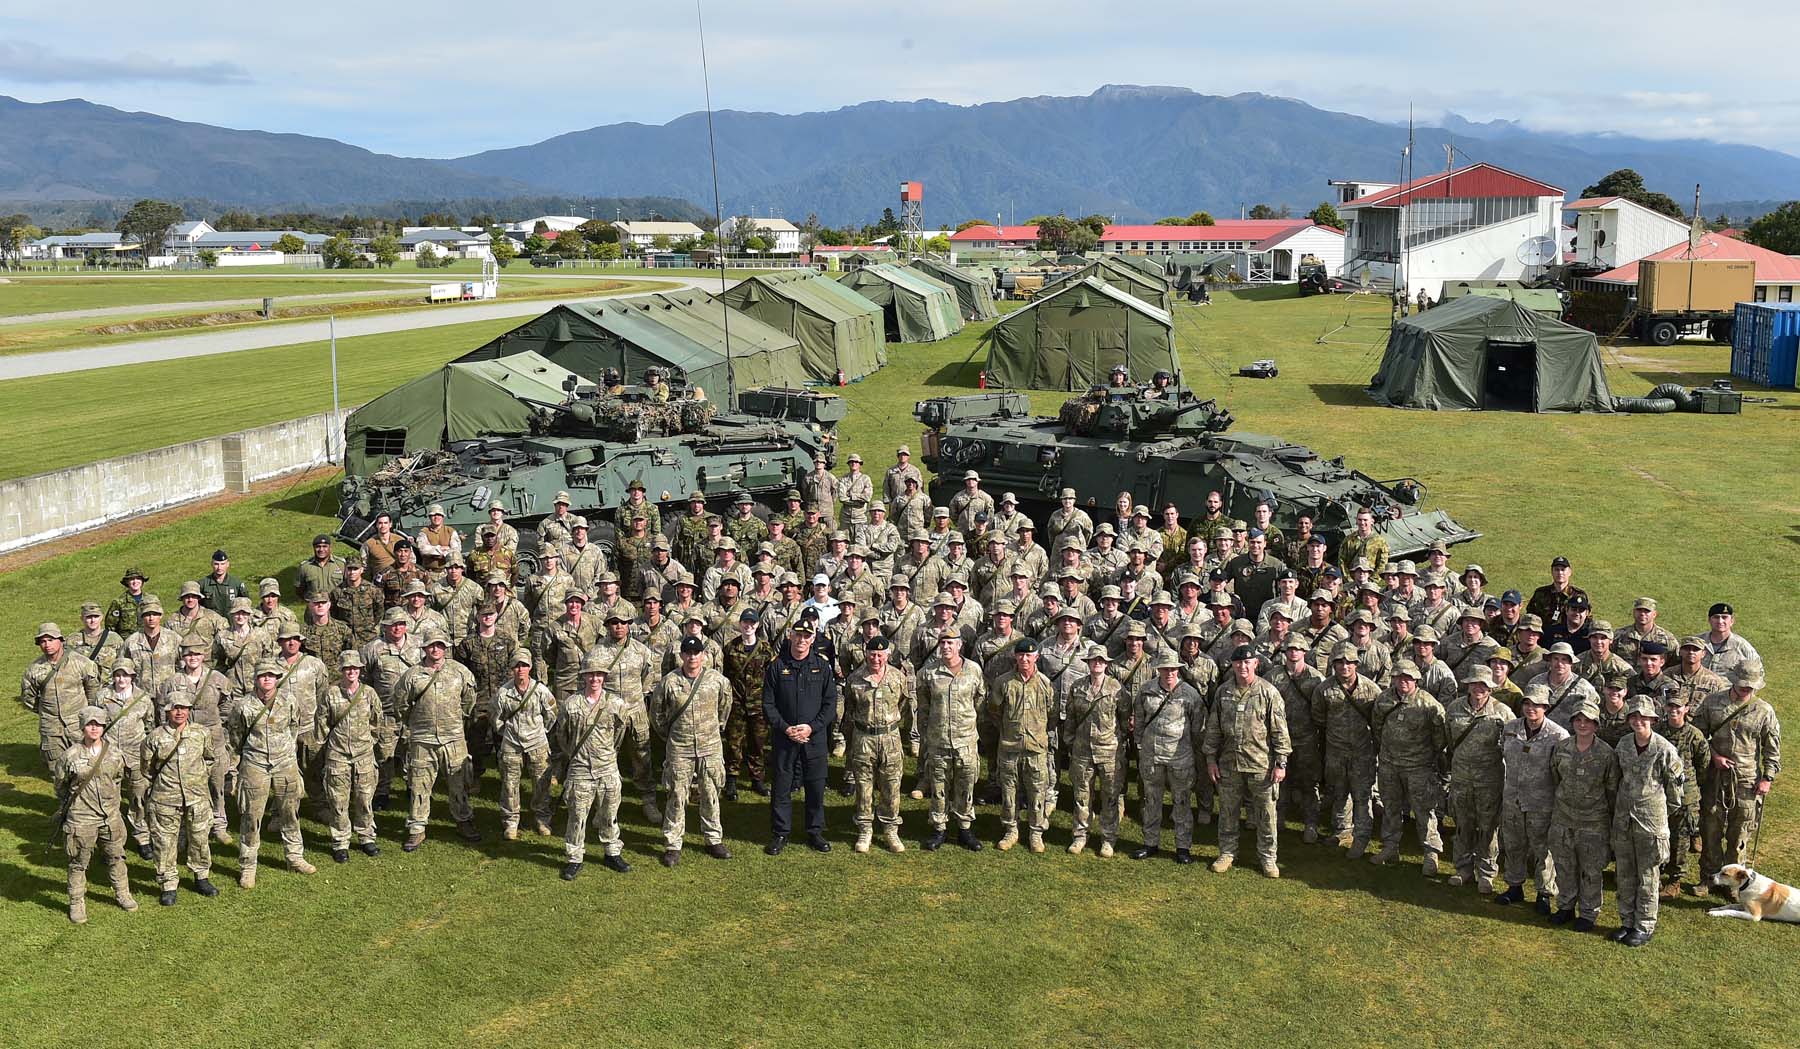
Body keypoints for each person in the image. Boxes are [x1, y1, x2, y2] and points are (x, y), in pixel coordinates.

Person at [1694, 661, 1781, 892]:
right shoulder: (1713, 702)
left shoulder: (1764, 710)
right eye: (1743, 685)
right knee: (1711, 828)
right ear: (1734, 680)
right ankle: (1708, 878)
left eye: (1751, 687)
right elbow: (1698, 736)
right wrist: (1714, 756)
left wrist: (1767, 778)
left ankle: (1735, 885)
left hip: (1747, 781)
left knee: (1739, 832)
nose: (1746, 690)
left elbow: (1772, 747)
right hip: (1715, 778)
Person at [1204, 647, 1290, 877]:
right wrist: (1211, 759)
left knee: (1266, 814)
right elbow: (1213, 729)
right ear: (1232, 665)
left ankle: (1268, 858)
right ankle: (1227, 853)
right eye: (1238, 663)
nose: (1243, 667)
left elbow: (1280, 731)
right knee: (1228, 811)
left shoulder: (1268, 692)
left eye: (1247, 662)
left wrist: (1280, 763)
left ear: (1255, 664)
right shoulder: (1223, 693)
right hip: (1229, 764)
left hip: (1261, 765)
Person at [229, 659, 314, 888]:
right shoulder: (243, 706)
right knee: (251, 816)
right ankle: (248, 866)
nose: (266, 679)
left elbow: (294, 728)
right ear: (255, 679)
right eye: (262, 675)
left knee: (290, 812)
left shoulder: (289, 701)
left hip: (285, 762)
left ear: (277, 678)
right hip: (255, 763)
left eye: (271, 675)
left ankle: (295, 857)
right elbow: (235, 736)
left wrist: (286, 750)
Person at [394, 628, 480, 851]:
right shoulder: (412, 675)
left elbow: (469, 701)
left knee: (458, 781)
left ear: (446, 647)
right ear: (424, 648)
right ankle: (417, 828)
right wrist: (416, 723)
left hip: (453, 738)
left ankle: (463, 820)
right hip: (423, 739)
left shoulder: (459, 672)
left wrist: (455, 720)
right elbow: (401, 704)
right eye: (431, 645)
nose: (436, 649)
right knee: (419, 784)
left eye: (440, 645)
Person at [653, 636, 734, 867]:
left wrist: (716, 730)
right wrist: (669, 736)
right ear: (681, 656)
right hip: (680, 747)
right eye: (688, 653)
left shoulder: (716, 680)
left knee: (710, 792)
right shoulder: (669, 682)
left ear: (703, 655)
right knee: (677, 795)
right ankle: (672, 844)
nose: (692, 657)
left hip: (710, 746)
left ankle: (713, 839)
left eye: (696, 652)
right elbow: (656, 714)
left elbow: (725, 707)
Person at [1610, 695, 1683, 947]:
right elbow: (1616, 778)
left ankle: (1644, 925)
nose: (1638, 721)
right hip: (1624, 819)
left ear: (1653, 719)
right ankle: (1626, 921)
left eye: (1643, 717)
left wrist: (1659, 813)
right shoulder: (1623, 745)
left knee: (1648, 876)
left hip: (1650, 821)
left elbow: (1675, 794)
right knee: (1625, 873)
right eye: (1633, 716)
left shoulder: (1664, 749)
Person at [763, 621, 838, 855]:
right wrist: (786, 729)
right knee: (782, 788)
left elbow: (830, 704)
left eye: (807, 636)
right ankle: (780, 833)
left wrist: (811, 728)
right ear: (790, 636)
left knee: (815, 786)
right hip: (785, 738)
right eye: (798, 635)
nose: (802, 640)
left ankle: (815, 832)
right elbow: (768, 704)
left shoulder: (822, 667)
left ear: (813, 638)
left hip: (813, 739)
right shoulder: (777, 666)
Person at [57, 706, 135, 923]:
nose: (94, 728)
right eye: (90, 724)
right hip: (81, 819)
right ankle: (76, 902)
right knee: (78, 862)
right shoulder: (70, 756)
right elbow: (61, 786)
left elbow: (119, 779)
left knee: (116, 857)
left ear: (104, 726)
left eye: (98, 724)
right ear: (83, 727)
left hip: (110, 817)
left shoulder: (115, 754)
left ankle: (122, 893)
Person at [141, 692, 220, 906]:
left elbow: (210, 758)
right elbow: (147, 769)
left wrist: (200, 777)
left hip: (197, 797)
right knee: (165, 842)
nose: (179, 712)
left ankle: (201, 876)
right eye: (175, 708)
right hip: (165, 798)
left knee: (200, 838)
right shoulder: (154, 738)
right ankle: (168, 884)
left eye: (184, 708)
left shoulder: (201, 733)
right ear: (167, 710)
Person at [1370, 660, 1448, 874]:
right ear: (1393, 678)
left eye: (1408, 678)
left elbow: (1440, 739)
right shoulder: (1383, 699)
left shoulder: (1429, 705)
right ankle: (1390, 847)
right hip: (1389, 765)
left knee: (1424, 811)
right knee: (1391, 808)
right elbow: (1377, 727)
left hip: (1419, 768)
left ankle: (1431, 853)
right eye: (1399, 677)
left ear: (1416, 680)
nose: (1403, 681)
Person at [559, 654, 632, 880]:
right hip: (580, 767)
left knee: (610, 812)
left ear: (604, 677)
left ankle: (612, 852)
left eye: (599, 674)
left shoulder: (616, 704)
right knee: (577, 815)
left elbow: (620, 733)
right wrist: (575, 754)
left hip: (607, 766)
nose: (594, 679)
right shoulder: (571, 704)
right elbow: (562, 735)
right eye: (590, 674)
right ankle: (574, 857)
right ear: (583, 677)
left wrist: (608, 753)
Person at [1547, 700, 1617, 932]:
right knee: (1564, 866)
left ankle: (1588, 913)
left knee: (1590, 869)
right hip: (1564, 817)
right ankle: (1565, 906)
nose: (1582, 724)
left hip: (1593, 822)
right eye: (1578, 720)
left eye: (1587, 721)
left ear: (1596, 725)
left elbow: (1612, 788)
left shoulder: (1606, 754)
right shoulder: (1562, 747)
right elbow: (1555, 777)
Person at [1133, 654, 1204, 864]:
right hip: (1152, 756)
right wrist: (1141, 745)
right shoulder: (1146, 690)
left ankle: (1183, 847)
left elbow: (1198, 727)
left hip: (1180, 758)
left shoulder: (1190, 694)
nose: (1170, 673)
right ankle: (1150, 843)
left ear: (1178, 669)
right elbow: (1138, 720)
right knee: (1151, 801)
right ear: (1158, 669)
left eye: (1173, 669)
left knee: (1181, 802)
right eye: (1165, 669)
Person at [1443, 667, 1509, 891]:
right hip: (1461, 778)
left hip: (1489, 781)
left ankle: (1486, 872)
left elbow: (1509, 748)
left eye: (1483, 685)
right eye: (1474, 684)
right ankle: (1463, 869)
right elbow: (1448, 740)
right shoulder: (1454, 709)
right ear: (1468, 685)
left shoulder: (1502, 713)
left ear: (1491, 687)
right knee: (1463, 824)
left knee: (1488, 827)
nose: (1478, 688)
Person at [1313, 643, 1381, 857]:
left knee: (1362, 796)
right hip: (1336, 751)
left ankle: (1361, 837)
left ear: (1356, 665)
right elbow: (1318, 717)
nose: (1344, 666)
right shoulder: (1324, 689)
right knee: (1339, 792)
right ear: (1333, 665)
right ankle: (1342, 831)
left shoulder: (1371, 689)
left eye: (1349, 662)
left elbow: (1378, 719)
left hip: (1362, 751)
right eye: (1339, 662)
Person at [316, 649, 382, 863]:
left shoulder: (369, 693)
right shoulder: (330, 693)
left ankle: (366, 837)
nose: (351, 671)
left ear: (360, 670)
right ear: (342, 670)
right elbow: (322, 723)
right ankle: (340, 841)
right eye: (347, 668)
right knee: (338, 800)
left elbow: (376, 722)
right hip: (338, 755)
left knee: (364, 798)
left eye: (355, 668)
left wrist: (368, 742)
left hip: (363, 754)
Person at [845, 636, 909, 853]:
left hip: (890, 738)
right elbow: (850, 708)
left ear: (887, 655)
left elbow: (904, 703)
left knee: (891, 785)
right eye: (872, 654)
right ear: (866, 653)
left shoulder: (898, 677)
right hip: (864, 738)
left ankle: (890, 829)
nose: (876, 658)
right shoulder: (855, 679)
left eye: (880, 655)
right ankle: (865, 829)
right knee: (863, 785)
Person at [989, 640, 1054, 853]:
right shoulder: (1003, 682)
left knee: (1037, 793)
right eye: (1020, 655)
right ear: (1015, 657)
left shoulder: (1044, 683)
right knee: (1009, 792)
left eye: (1029, 655)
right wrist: (1009, 731)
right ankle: (1011, 830)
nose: (1024, 659)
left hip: (1036, 749)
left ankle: (1036, 832)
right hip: (1010, 747)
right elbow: (995, 711)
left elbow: (1050, 714)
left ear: (1036, 657)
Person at [493, 648, 559, 840]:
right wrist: (507, 733)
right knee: (509, 785)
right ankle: (510, 821)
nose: (520, 669)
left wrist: (540, 731)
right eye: (516, 665)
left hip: (537, 743)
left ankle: (542, 818)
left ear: (530, 667)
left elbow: (551, 714)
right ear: (511, 668)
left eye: (524, 665)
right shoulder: (503, 693)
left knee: (541, 783)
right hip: (512, 744)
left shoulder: (540, 691)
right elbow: (495, 718)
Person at [21, 621, 102, 776]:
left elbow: (93, 690)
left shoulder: (81, 663)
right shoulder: (34, 669)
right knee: (57, 770)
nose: (47, 644)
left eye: (50, 640)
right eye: (43, 641)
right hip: (51, 728)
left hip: (78, 725)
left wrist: (87, 714)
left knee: (86, 767)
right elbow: (28, 697)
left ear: (60, 640)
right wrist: (47, 711)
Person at [1656, 689, 1709, 898]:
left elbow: (1702, 765)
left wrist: (1691, 789)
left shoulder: (1694, 735)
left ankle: (1675, 880)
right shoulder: (1658, 731)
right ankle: (1657, 873)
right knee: (1660, 836)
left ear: (1686, 709)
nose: (1673, 710)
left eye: (1678, 707)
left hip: (1685, 797)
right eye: (1670, 706)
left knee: (1680, 840)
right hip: (1660, 793)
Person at [105, 567, 150, 636]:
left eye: (138, 578)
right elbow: (110, 627)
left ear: (142, 581)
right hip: (126, 643)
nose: (135, 582)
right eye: (132, 579)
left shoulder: (150, 600)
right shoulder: (118, 602)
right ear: (127, 582)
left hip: (146, 640)